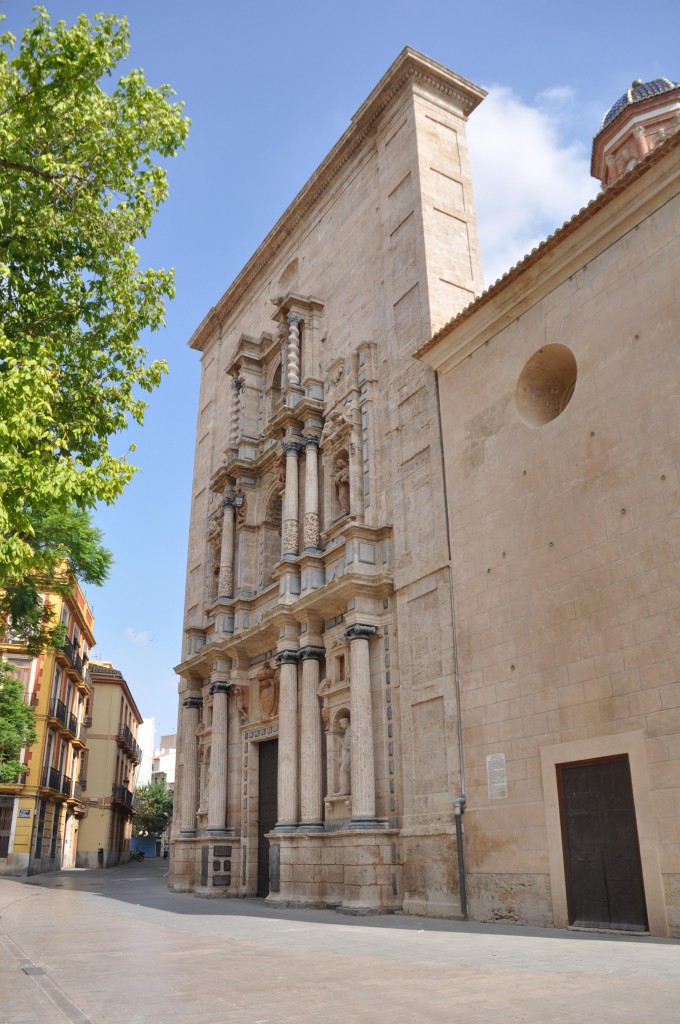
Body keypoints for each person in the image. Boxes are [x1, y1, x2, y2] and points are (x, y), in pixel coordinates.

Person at [337, 716, 351, 795]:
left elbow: (348, 748)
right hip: (344, 755)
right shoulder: (347, 732)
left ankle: (346, 789)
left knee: (343, 770)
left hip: (348, 755)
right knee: (342, 771)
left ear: (346, 722)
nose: (341, 726)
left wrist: (340, 742)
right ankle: (343, 789)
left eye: (342, 724)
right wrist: (340, 758)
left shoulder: (350, 731)